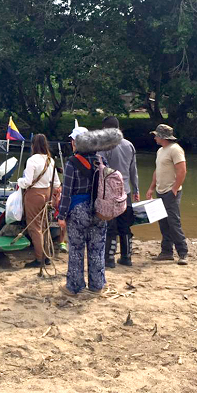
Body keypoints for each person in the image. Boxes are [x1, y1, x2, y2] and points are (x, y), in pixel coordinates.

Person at [57, 126, 107, 296]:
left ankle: (74, 287)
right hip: (100, 210)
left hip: (78, 211)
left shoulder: (72, 163)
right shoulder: (101, 161)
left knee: (77, 250)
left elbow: (66, 193)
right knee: (97, 249)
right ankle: (97, 286)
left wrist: (61, 215)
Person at [98, 116, 140, 267]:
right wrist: (136, 189)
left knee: (111, 224)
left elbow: (100, 169)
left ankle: (109, 259)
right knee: (125, 224)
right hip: (126, 191)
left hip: (109, 192)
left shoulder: (104, 146)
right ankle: (126, 257)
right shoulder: (129, 145)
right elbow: (133, 171)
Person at [145, 124, 188, 265]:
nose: (155, 138)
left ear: (163, 137)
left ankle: (183, 252)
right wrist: (151, 188)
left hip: (171, 191)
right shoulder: (160, 151)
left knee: (174, 222)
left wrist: (175, 189)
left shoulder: (175, 150)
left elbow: (182, 170)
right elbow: (157, 171)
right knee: (163, 223)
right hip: (161, 190)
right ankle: (166, 252)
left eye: (156, 135)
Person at [16, 134, 62, 268]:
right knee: (44, 226)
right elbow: (56, 183)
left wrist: (19, 181)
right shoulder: (50, 160)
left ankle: (39, 258)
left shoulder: (32, 160)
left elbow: (27, 182)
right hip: (47, 194)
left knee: (34, 227)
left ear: (33, 145)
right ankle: (46, 256)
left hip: (34, 194)